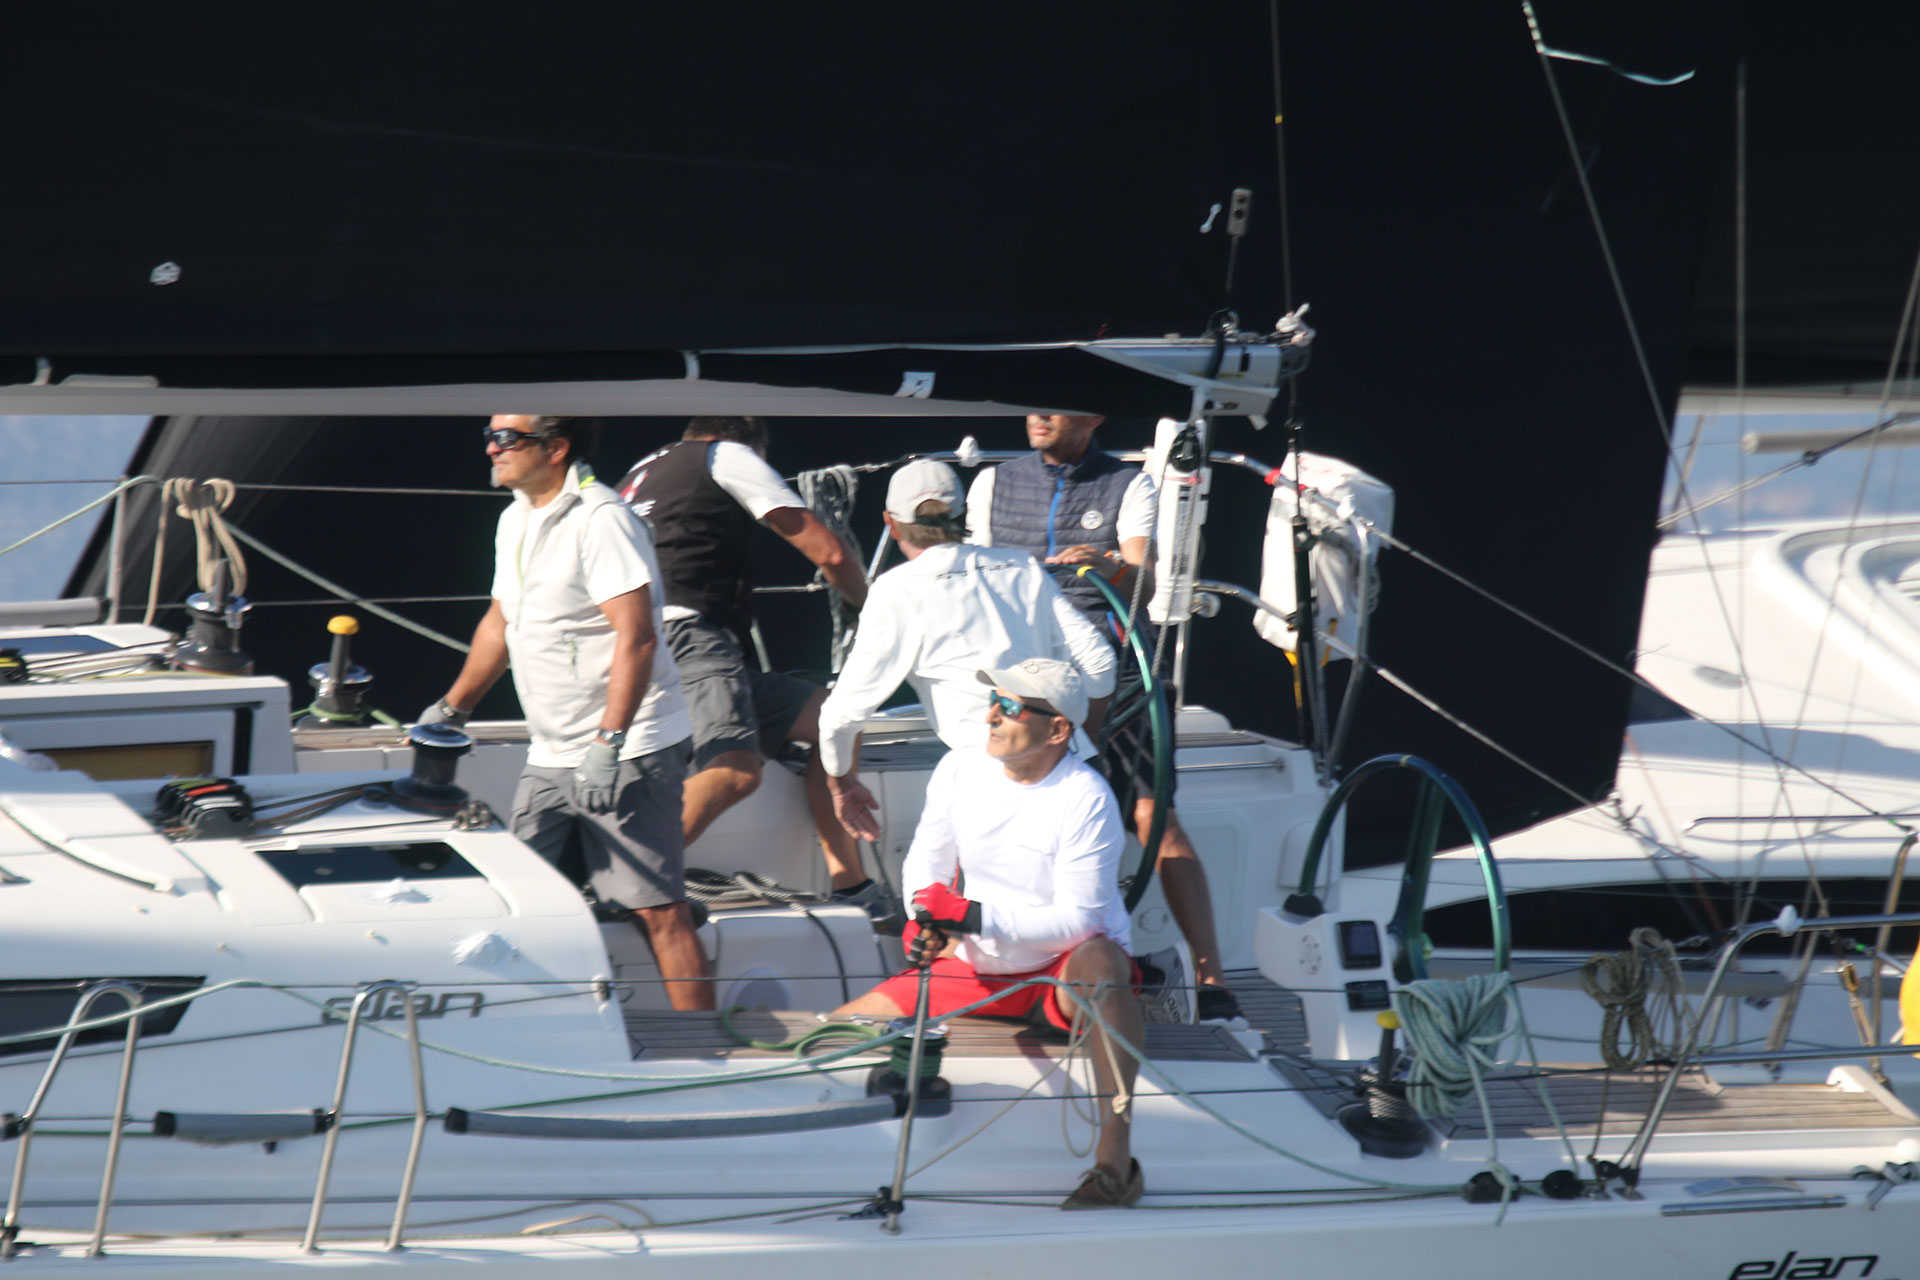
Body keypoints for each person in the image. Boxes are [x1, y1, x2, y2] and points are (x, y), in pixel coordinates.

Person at [421, 414, 713, 1011]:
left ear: (556, 448)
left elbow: (637, 637)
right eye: (490, 435)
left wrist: (609, 742)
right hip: (551, 753)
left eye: (508, 438)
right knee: (520, 895)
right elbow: (500, 624)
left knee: (656, 910)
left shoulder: (601, 518)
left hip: (629, 749)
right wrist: (452, 709)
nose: (492, 448)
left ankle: (703, 1044)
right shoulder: (515, 518)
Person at [831, 658, 1145, 1210]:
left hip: (1061, 973)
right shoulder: (959, 767)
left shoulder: (1087, 797)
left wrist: (968, 917)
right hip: (974, 968)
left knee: (1102, 959)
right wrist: (923, 917)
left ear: (1058, 730)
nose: (992, 717)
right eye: (994, 701)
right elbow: (926, 862)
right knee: (833, 1032)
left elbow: (1080, 922)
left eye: (1011, 707)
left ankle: (1115, 1162)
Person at [967, 414, 1243, 1025]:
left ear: (1091, 418)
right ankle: (1011, 964)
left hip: (1116, 676)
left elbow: (1143, 580)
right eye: (1032, 405)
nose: (1039, 416)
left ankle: (1211, 980)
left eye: (1056, 407)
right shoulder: (992, 483)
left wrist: (1107, 563)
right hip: (1025, 675)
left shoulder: (1129, 484)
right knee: (1007, 811)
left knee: (1153, 819)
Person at [615, 417, 880, 913]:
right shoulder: (726, 456)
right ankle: (627, 885)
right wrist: (868, 607)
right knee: (734, 771)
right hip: (688, 635)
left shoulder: (639, 473)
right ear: (753, 448)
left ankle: (851, 885)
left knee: (835, 718)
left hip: (635, 645)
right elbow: (829, 553)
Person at [814, 459, 1116, 842]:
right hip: (1073, 765)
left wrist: (841, 782)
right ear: (963, 515)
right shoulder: (1022, 565)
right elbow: (1100, 662)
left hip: (995, 778)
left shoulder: (896, 590)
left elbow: (841, 717)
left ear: (891, 524)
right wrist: (1075, 736)